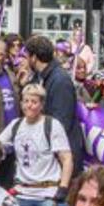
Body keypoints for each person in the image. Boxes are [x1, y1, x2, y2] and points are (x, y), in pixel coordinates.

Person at [0, 83, 73, 206]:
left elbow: (66, 158)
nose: (29, 105)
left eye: (34, 101)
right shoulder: (16, 125)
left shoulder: (52, 125)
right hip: (22, 191)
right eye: (25, 101)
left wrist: (63, 187)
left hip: (48, 192)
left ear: (41, 104)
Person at [25, 34, 83, 168]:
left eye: (27, 56)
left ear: (34, 58)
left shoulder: (60, 80)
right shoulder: (41, 77)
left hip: (61, 154)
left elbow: (61, 120)